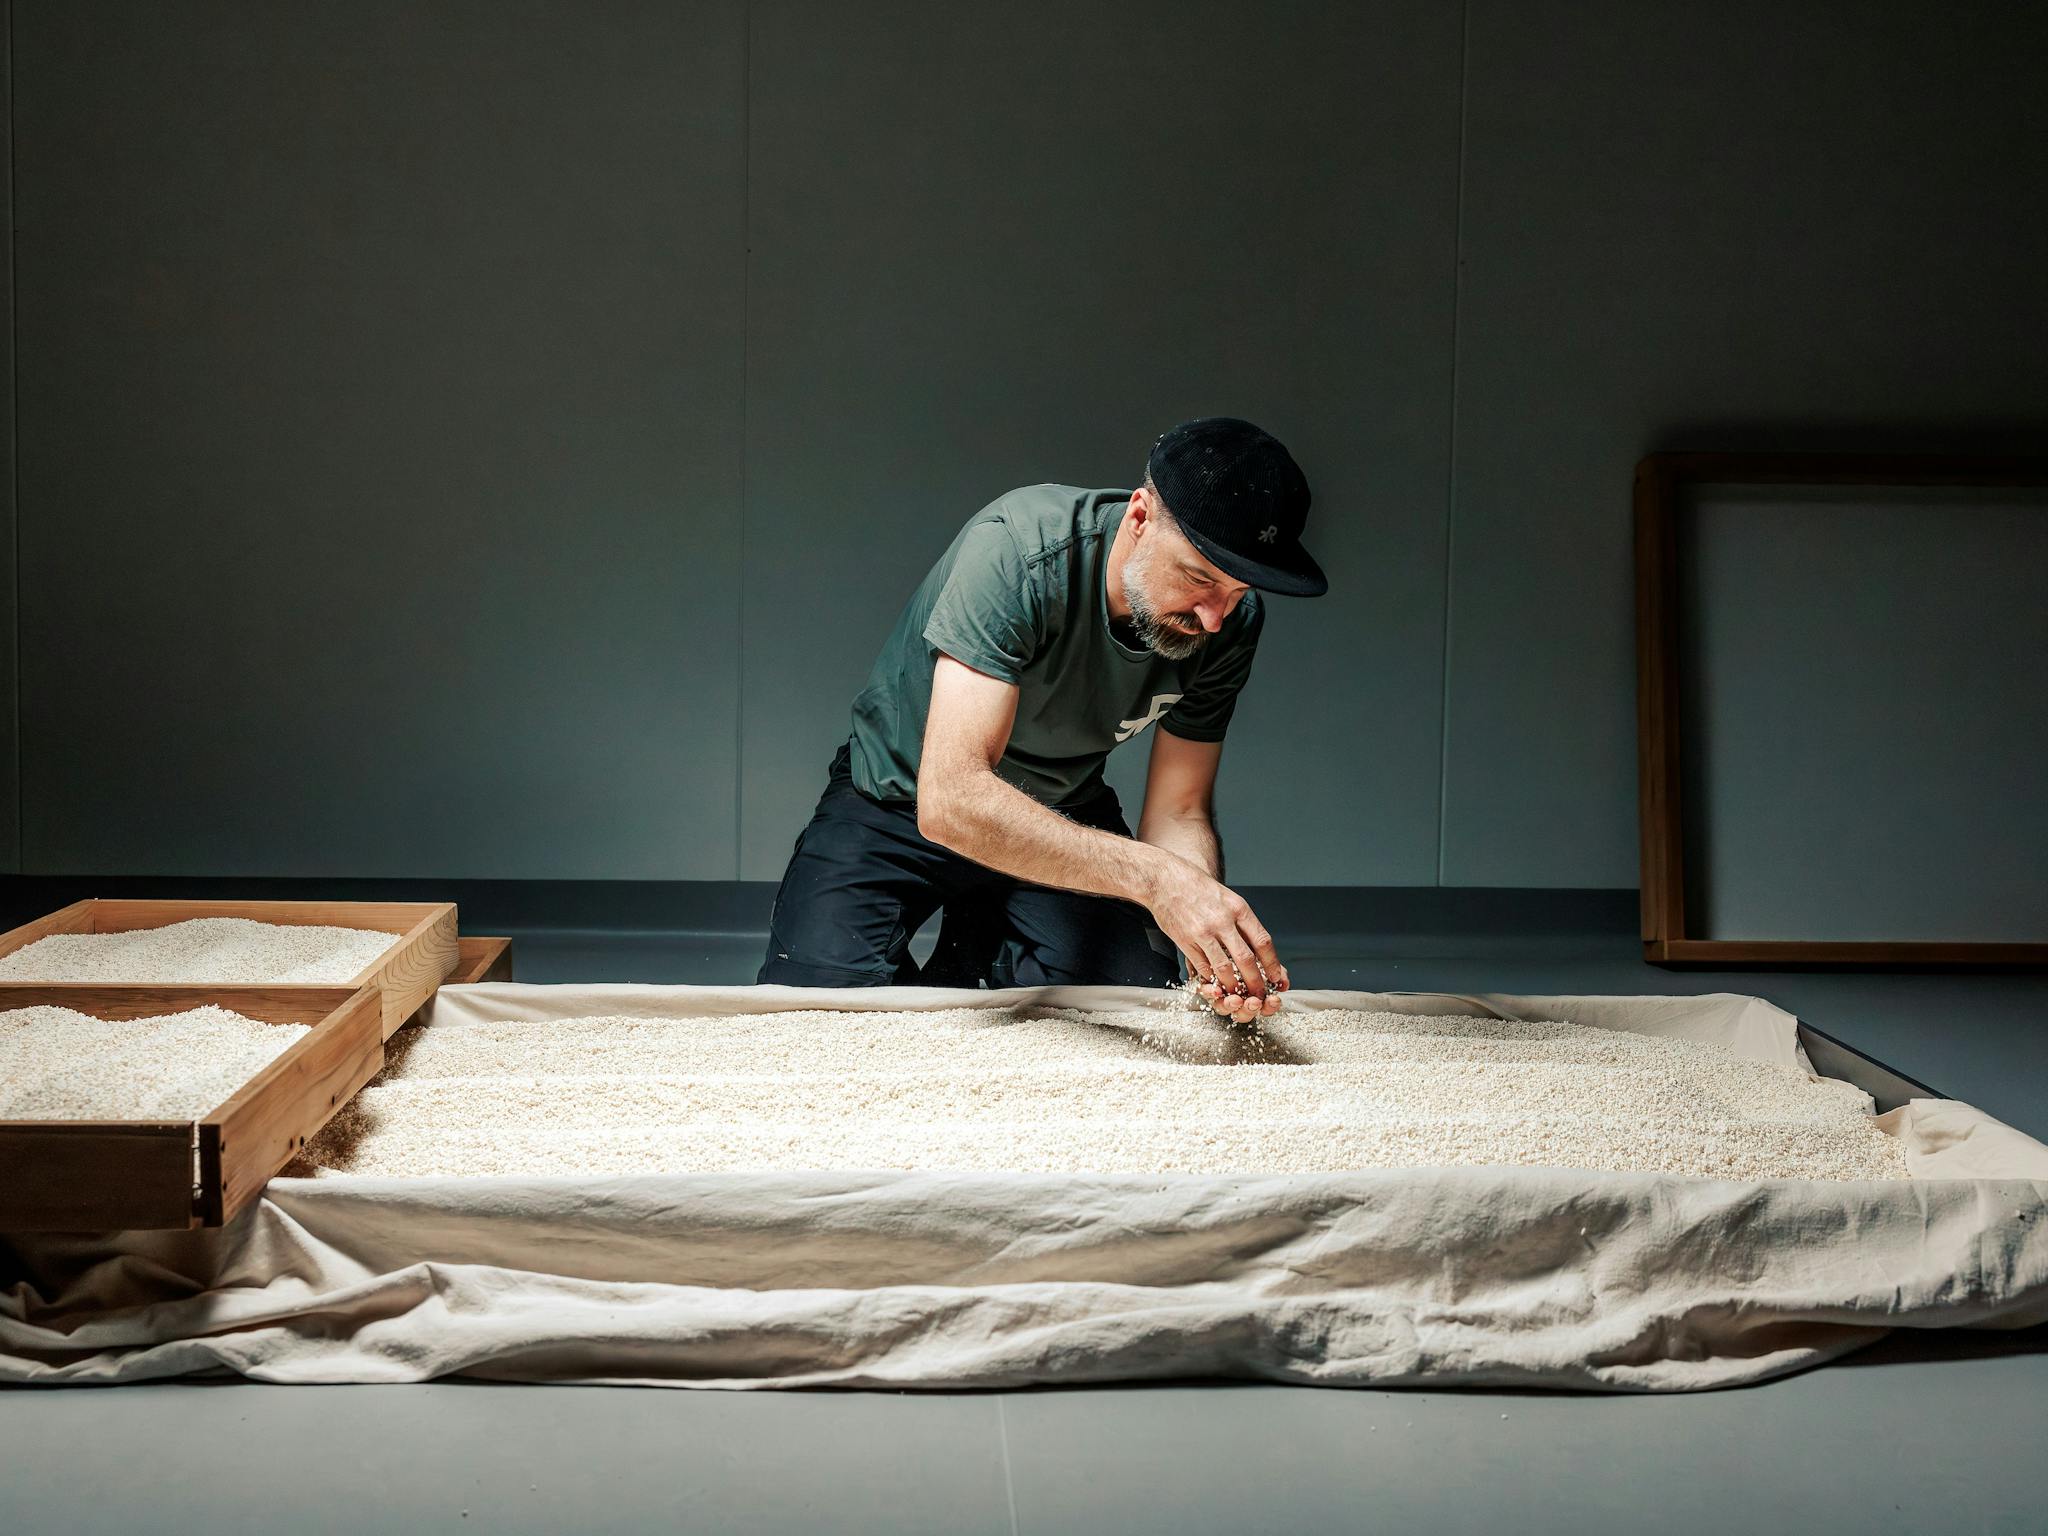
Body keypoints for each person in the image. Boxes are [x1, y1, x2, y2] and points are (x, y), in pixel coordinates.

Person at [756, 416, 1328, 1023]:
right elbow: (952, 801)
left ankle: (980, 941)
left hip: (1062, 805)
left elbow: (1180, 808)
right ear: (1139, 517)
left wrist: (1205, 934)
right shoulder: (1018, 552)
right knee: (816, 1008)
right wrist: (1157, 881)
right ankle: (973, 942)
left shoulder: (1228, 624)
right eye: (1198, 578)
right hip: (903, 796)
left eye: (1237, 592)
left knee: (1125, 1004)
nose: (1213, 618)